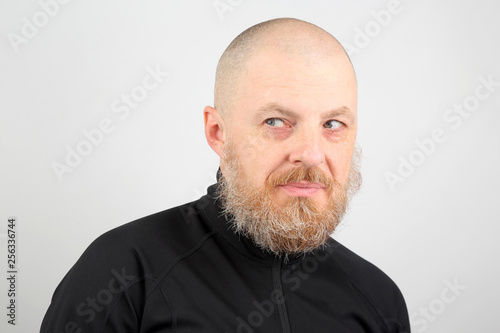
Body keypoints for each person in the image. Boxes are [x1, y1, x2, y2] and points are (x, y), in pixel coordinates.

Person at [41, 18, 410, 332]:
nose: (312, 154)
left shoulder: (378, 299)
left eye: (333, 123)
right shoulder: (122, 272)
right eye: (276, 121)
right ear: (218, 132)